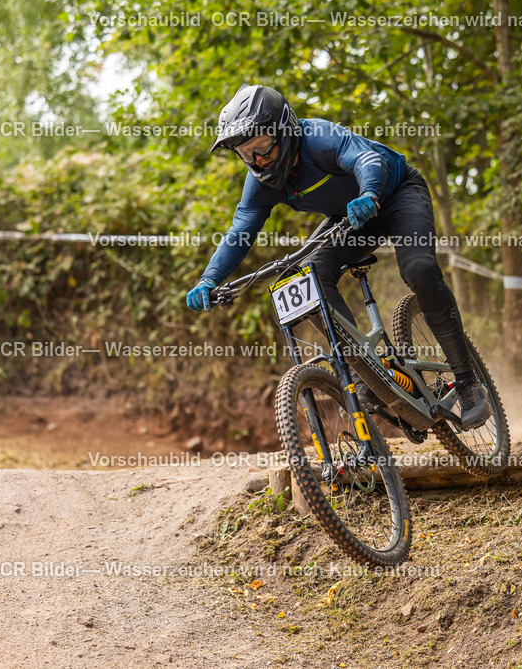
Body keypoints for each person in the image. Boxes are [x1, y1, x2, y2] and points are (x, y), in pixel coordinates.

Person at [186, 84, 489, 430]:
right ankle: (368, 375)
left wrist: (370, 192)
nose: (257, 160)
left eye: (262, 146)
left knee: (419, 268)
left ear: (284, 130)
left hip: (394, 195)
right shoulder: (261, 184)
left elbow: (366, 158)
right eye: (246, 153)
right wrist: (210, 278)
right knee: (307, 278)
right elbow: (240, 230)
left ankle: (467, 383)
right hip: (352, 220)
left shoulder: (317, 138)